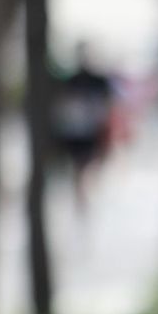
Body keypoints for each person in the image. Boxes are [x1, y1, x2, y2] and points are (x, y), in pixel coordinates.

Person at [52, 42, 116, 218]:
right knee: (79, 168)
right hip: (77, 134)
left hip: (92, 133)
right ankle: (82, 200)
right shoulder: (72, 81)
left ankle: (85, 197)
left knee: (88, 167)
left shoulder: (98, 81)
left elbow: (107, 104)